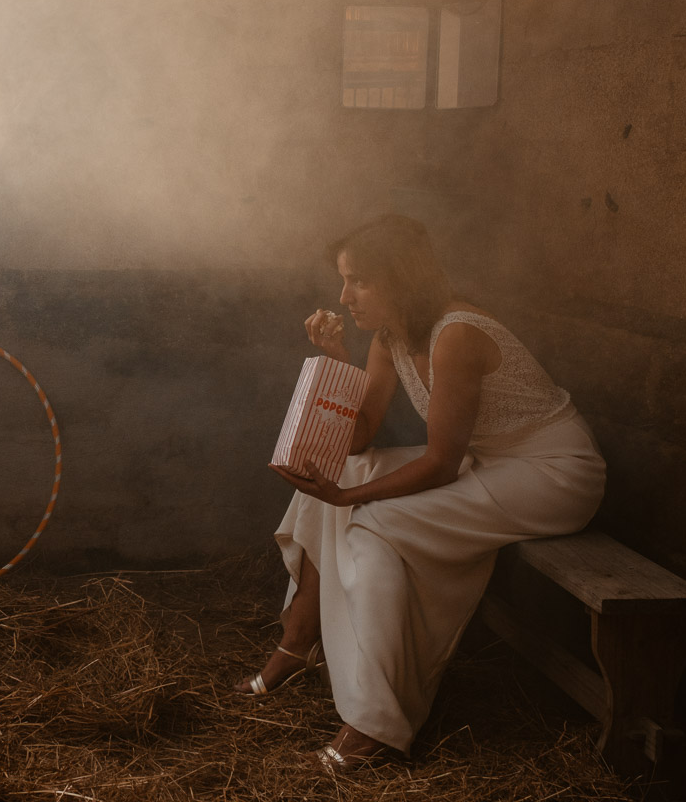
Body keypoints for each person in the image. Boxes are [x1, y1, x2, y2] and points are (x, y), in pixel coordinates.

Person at [237, 214, 605, 773]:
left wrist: (345, 500)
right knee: (352, 475)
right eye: (344, 280)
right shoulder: (390, 338)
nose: (344, 296)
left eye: (358, 280)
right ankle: (302, 635)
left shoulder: (456, 333)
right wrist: (339, 364)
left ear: (400, 280)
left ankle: (375, 724)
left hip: (553, 474)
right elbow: (359, 437)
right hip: (492, 464)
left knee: (373, 521)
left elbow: (439, 464)